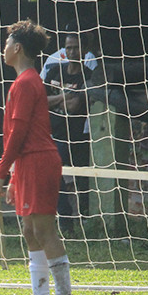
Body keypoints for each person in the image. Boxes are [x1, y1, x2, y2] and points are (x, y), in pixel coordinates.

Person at [0, 20, 78, 295]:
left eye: (6, 44)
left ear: (16, 48)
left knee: (43, 229)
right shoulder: (23, 82)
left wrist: (1, 173)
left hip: (40, 160)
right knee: (30, 230)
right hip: (28, 163)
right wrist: (15, 175)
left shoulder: (27, 82)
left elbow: (18, 132)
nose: (3, 49)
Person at [44, 31, 92, 232]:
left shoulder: (89, 76)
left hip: (76, 137)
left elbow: (74, 106)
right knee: (53, 174)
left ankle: (85, 221)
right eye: (68, 47)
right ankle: (65, 220)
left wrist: (55, 100)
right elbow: (38, 100)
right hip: (50, 134)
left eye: (76, 47)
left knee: (82, 182)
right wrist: (64, 97)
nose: (72, 51)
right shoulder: (54, 70)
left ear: (85, 50)